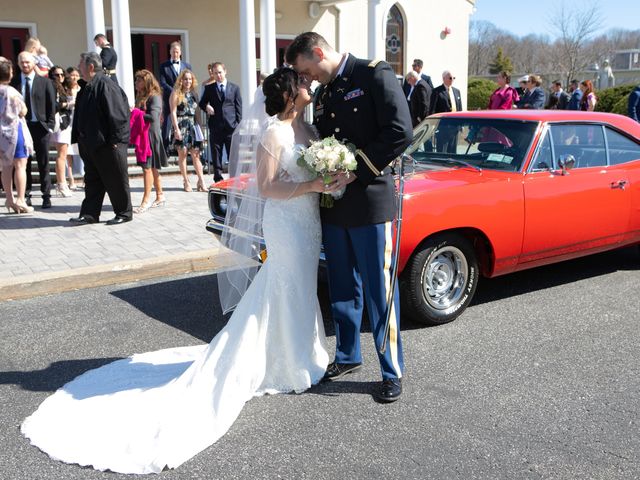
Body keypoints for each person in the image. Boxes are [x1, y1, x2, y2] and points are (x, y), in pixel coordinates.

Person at [21, 66, 336, 475]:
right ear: (291, 95)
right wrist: (312, 186)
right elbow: (269, 186)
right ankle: (283, 362)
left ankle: (303, 355)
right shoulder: (273, 133)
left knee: (301, 287)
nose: (309, 86)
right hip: (286, 224)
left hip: (308, 223)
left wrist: (332, 177)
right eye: (302, 84)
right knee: (283, 285)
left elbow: (315, 169)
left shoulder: (309, 132)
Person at [286, 31, 411, 403]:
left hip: (371, 202)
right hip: (335, 205)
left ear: (319, 52)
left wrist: (356, 168)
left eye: (307, 69)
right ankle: (347, 354)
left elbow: (400, 131)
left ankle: (391, 370)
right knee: (342, 285)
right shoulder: (325, 95)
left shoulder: (374, 74)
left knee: (379, 290)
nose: (307, 79)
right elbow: (325, 138)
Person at [69, 52, 132, 225]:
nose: (78, 68)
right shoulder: (86, 87)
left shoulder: (106, 86)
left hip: (108, 145)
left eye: (80, 64)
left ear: (90, 66)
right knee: (92, 181)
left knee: (116, 180)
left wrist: (115, 141)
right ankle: (90, 214)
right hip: (91, 145)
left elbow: (118, 116)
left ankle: (124, 213)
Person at [10, 51, 56, 209]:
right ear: (18, 63)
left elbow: (52, 105)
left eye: (28, 62)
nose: (25, 65)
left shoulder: (45, 83)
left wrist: (49, 126)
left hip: (40, 127)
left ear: (34, 63)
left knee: (43, 163)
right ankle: (26, 194)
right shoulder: (13, 83)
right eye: (22, 62)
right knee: (24, 163)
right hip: (22, 127)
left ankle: (46, 195)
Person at [0, 57, 34, 214]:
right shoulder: (12, 92)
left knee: (6, 166)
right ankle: (20, 199)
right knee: (20, 165)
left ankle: (9, 198)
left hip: (1, 134)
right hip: (14, 131)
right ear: (9, 74)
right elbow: (23, 111)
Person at [198, 62, 242, 183]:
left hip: (231, 127)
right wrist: (207, 107)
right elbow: (201, 103)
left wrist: (237, 126)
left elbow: (239, 109)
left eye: (220, 72)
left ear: (225, 71)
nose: (218, 75)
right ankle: (218, 178)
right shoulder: (209, 88)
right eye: (215, 73)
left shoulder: (235, 88)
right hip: (215, 126)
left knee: (232, 155)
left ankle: (234, 179)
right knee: (216, 154)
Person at [133, 69, 167, 212]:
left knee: (147, 168)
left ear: (146, 82)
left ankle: (145, 201)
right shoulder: (141, 96)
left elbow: (153, 117)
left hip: (150, 137)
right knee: (151, 167)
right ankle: (160, 196)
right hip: (144, 135)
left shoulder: (155, 97)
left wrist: (135, 112)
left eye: (139, 80)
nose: (136, 83)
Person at [169, 69, 206, 192]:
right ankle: (186, 181)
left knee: (196, 155)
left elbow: (198, 113)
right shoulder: (176, 93)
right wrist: (176, 129)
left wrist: (200, 129)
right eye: (185, 79)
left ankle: (201, 181)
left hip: (193, 126)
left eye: (190, 79)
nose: (188, 81)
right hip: (181, 125)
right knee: (183, 154)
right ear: (181, 80)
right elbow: (173, 112)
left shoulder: (194, 94)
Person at [159, 41, 192, 151]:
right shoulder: (164, 66)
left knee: (183, 124)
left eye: (177, 52)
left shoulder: (187, 66)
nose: (175, 54)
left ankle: (181, 147)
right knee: (167, 124)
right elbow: (163, 83)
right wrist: (175, 91)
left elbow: (189, 81)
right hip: (170, 98)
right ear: (170, 52)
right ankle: (165, 149)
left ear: (180, 53)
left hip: (184, 100)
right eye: (173, 52)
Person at [48, 66, 73, 197]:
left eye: (62, 74)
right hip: (59, 123)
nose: (60, 77)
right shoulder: (52, 87)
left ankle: (62, 183)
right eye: (56, 75)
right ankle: (61, 184)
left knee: (63, 153)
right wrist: (67, 104)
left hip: (65, 122)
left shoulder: (64, 88)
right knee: (61, 154)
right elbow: (51, 105)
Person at [64, 66, 82, 190]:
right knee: (68, 153)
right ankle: (71, 180)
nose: (74, 77)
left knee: (82, 151)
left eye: (77, 75)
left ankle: (85, 179)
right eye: (72, 75)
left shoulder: (83, 88)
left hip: (80, 122)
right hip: (68, 123)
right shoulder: (65, 90)